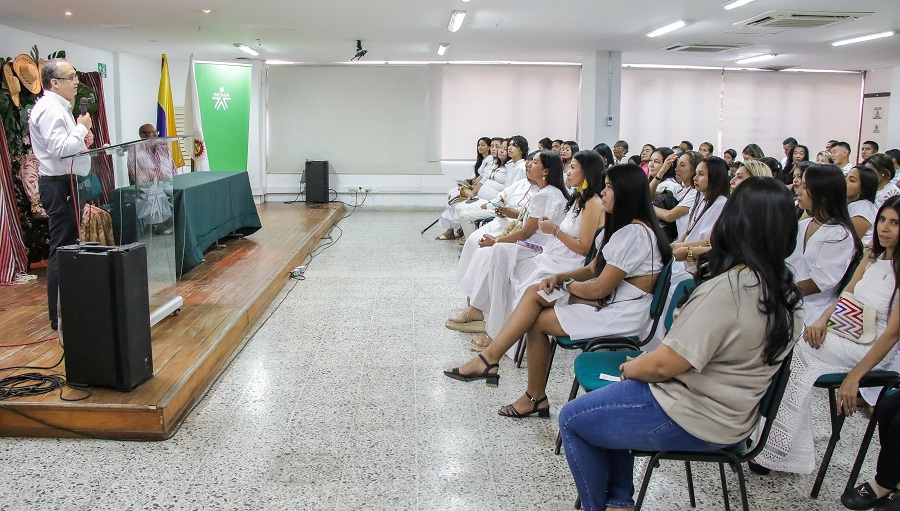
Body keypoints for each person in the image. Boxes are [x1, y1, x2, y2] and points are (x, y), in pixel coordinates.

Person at [558, 176, 803, 511]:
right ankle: (617, 502)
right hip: (731, 415)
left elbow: (664, 365)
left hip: (693, 415)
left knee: (573, 419)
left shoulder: (729, 290)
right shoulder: (787, 293)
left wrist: (634, 367)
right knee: (607, 409)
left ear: (734, 224)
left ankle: (602, 506)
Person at [444, 164, 670, 420]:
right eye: (604, 186)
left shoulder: (635, 233)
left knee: (536, 305)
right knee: (536, 299)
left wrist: (566, 286)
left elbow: (600, 287)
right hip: (611, 301)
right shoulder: (623, 226)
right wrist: (560, 277)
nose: (603, 192)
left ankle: (507, 375)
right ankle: (513, 379)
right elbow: (594, 268)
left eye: (609, 187)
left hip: (624, 312)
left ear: (627, 193)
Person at [755, 196, 900, 477]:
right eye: (882, 219)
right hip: (846, 330)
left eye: (895, 223)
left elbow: (893, 335)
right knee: (789, 341)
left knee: (794, 348)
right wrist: (822, 320)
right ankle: (772, 439)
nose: (884, 228)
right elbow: (846, 295)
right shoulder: (873, 257)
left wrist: (854, 377)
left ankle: (777, 444)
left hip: (874, 348)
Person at [461, 150, 604, 351]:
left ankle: (497, 334)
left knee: (506, 263)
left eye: (573, 167)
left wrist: (554, 230)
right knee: (502, 260)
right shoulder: (578, 199)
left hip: (567, 261)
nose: (568, 172)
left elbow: (584, 249)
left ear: (587, 172)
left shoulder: (592, 204)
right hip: (554, 253)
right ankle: (491, 323)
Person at [448, 150, 568, 332]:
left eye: (535, 163)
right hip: (535, 241)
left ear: (546, 171)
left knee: (491, 252)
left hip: (538, 246)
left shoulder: (546, 194)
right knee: (484, 251)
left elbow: (526, 232)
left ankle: (484, 312)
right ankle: (476, 307)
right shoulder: (547, 192)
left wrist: (496, 240)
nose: (529, 165)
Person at [29, 58, 94, 331]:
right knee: (63, 249)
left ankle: (69, 308)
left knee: (69, 245)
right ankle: (60, 316)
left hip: (66, 183)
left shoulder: (58, 107)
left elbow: (67, 145)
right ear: (54, 82)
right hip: (59, 185)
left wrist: (83, 138)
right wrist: (81, 128)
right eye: (71, 77)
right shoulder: (50, 109)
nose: (77, 82)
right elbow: (59, 150)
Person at [788, 164, 863, 325]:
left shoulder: (839, 235)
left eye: (805, 187)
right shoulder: (803, 224)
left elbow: (818, 283)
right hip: (789, 297)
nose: (798, 191)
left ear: (823, 194)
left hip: (812, 308)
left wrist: (781, 291)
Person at [671, 156, 730, 269]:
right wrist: (676, 244)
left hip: (695, 261)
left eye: (701, 174)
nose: (695, 178)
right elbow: (689, 232)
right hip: (686, 255)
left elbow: (706, 242)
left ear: (714, 177)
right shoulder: (701, 198)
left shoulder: (720, 203)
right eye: (696, 173)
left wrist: (682, 249)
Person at [653, 151, 702, 240]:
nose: (676, 169)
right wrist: (661, 173)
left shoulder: (695, 194)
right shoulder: (678, 188)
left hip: (687, 243)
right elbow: (649, 194)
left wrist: (647, 206)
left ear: (694, 169)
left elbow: (669, 216)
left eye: (682, 165)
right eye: (677, 164)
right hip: (678, 241)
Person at [846, 165, 879, 246]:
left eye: (852, 180)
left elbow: (848, 241)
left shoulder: (864, 208)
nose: (844, 181)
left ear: (863, 189)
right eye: (845, 177)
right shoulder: (852, 204)